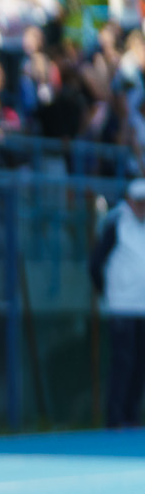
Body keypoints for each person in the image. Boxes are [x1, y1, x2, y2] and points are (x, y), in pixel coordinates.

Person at [92, 179, 145, 428]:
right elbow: (95, 263)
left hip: (143, 308)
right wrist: (107, 293)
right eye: (140, 203)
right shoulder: (116, 225)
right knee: (122, 363)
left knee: (140, 364)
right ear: (130, 202)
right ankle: (115, 418)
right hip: (122, 308)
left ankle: (132, 416)